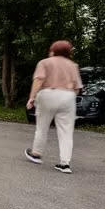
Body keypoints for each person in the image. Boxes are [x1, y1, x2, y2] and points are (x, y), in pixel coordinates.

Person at [24, 40, 83, 174]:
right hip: (68, 96)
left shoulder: (45, 62)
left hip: (48, 94)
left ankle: (36, 154)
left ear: (53, 51)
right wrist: (69, 97)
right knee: (66, 132)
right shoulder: (73, 65)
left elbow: (39, 80)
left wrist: (32, 98)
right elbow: (78, 88)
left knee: (42, 127)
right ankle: (65, 163)